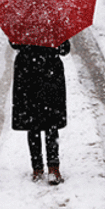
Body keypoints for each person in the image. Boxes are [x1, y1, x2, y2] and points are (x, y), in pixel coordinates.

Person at [10, 40, 71, 185]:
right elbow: (64, 49)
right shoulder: (54, 23)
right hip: (50, 74)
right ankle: (53, 168)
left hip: (27, 74)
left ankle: (37, 168)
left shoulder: (22, 22)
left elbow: (14, 44)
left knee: (33, 124)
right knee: (51, 123)